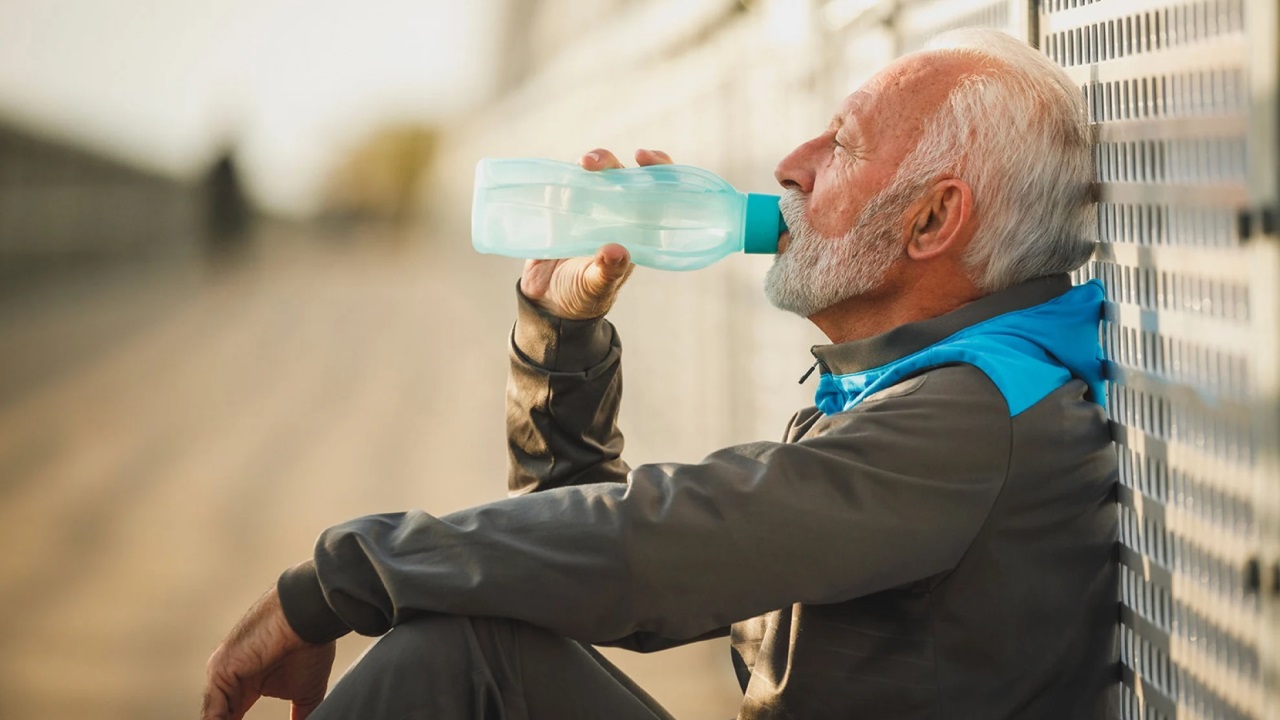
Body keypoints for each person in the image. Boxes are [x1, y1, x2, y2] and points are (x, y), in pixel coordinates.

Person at [200, 28, 1117, 720]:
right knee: (472, 647)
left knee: (464, 660)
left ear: (931, 221)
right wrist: (563, 336)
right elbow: (572, 564)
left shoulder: (977, 416)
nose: (788, 167)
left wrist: (332, 585)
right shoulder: (929, 385)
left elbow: (651, 554)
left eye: (838, 146)